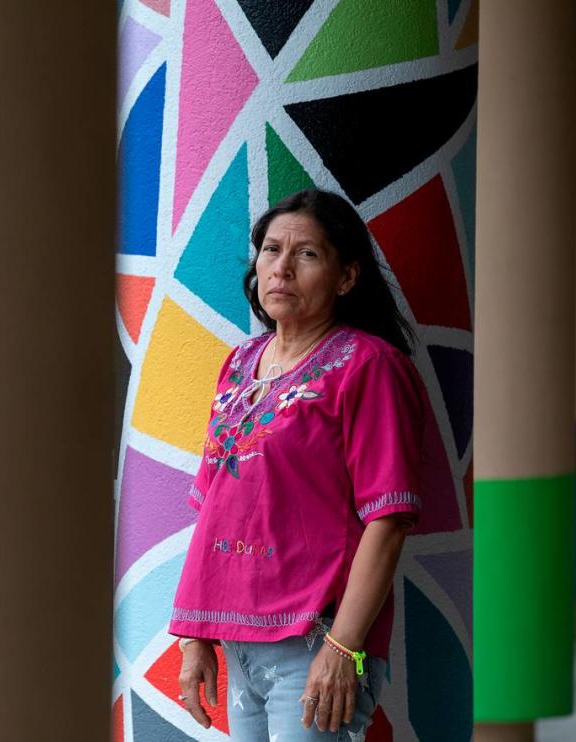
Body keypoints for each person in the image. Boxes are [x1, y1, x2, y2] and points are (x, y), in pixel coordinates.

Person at [169, 188, 430, 740]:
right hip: (240, 641)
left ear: (346, 277)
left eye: (306, 254)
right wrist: (195, 636)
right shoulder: (239, 364)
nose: (281, 268)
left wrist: (343, 650)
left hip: (319, 640)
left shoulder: (369, 367)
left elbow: (388, 519)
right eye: (270, 250)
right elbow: (216, 508)